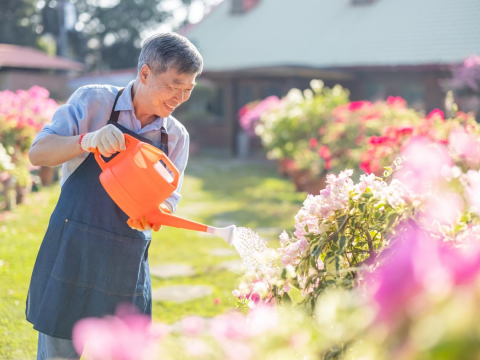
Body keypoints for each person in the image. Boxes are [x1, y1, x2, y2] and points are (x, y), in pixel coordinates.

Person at [26, 32, 202, 360]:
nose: (180, 97)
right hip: (73, 250)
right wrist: (87, 139)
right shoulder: (93, 101)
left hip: (126, 259)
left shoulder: (175, 137)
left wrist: (154, 210)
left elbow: (168, 200)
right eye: (174, 84)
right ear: (145, 73)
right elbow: (38, 154)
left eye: (188, 89)